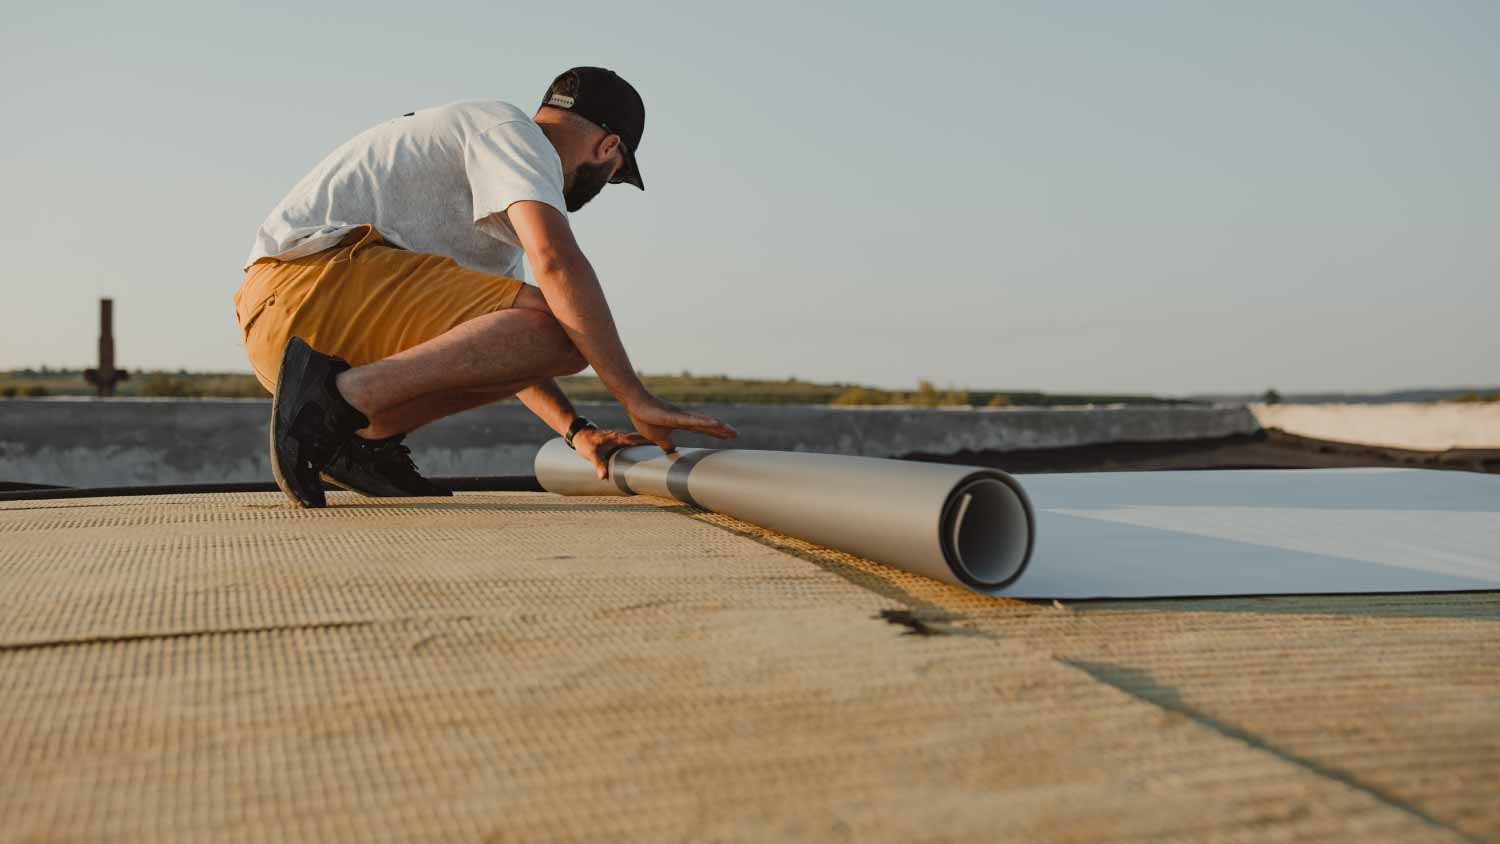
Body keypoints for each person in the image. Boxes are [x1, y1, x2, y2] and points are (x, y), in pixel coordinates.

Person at [234, 67, 736, 508]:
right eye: (614, 174)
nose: (604, 185)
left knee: (549, 329)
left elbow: (507, 348)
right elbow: (558, 264)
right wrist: (635, 397)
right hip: (306, 285)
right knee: (568, 322)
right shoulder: (511, 132)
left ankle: (357, 438)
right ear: (609, 149)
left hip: (296, 319)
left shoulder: (495, 211)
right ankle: (335, 402)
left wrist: (576, 431)